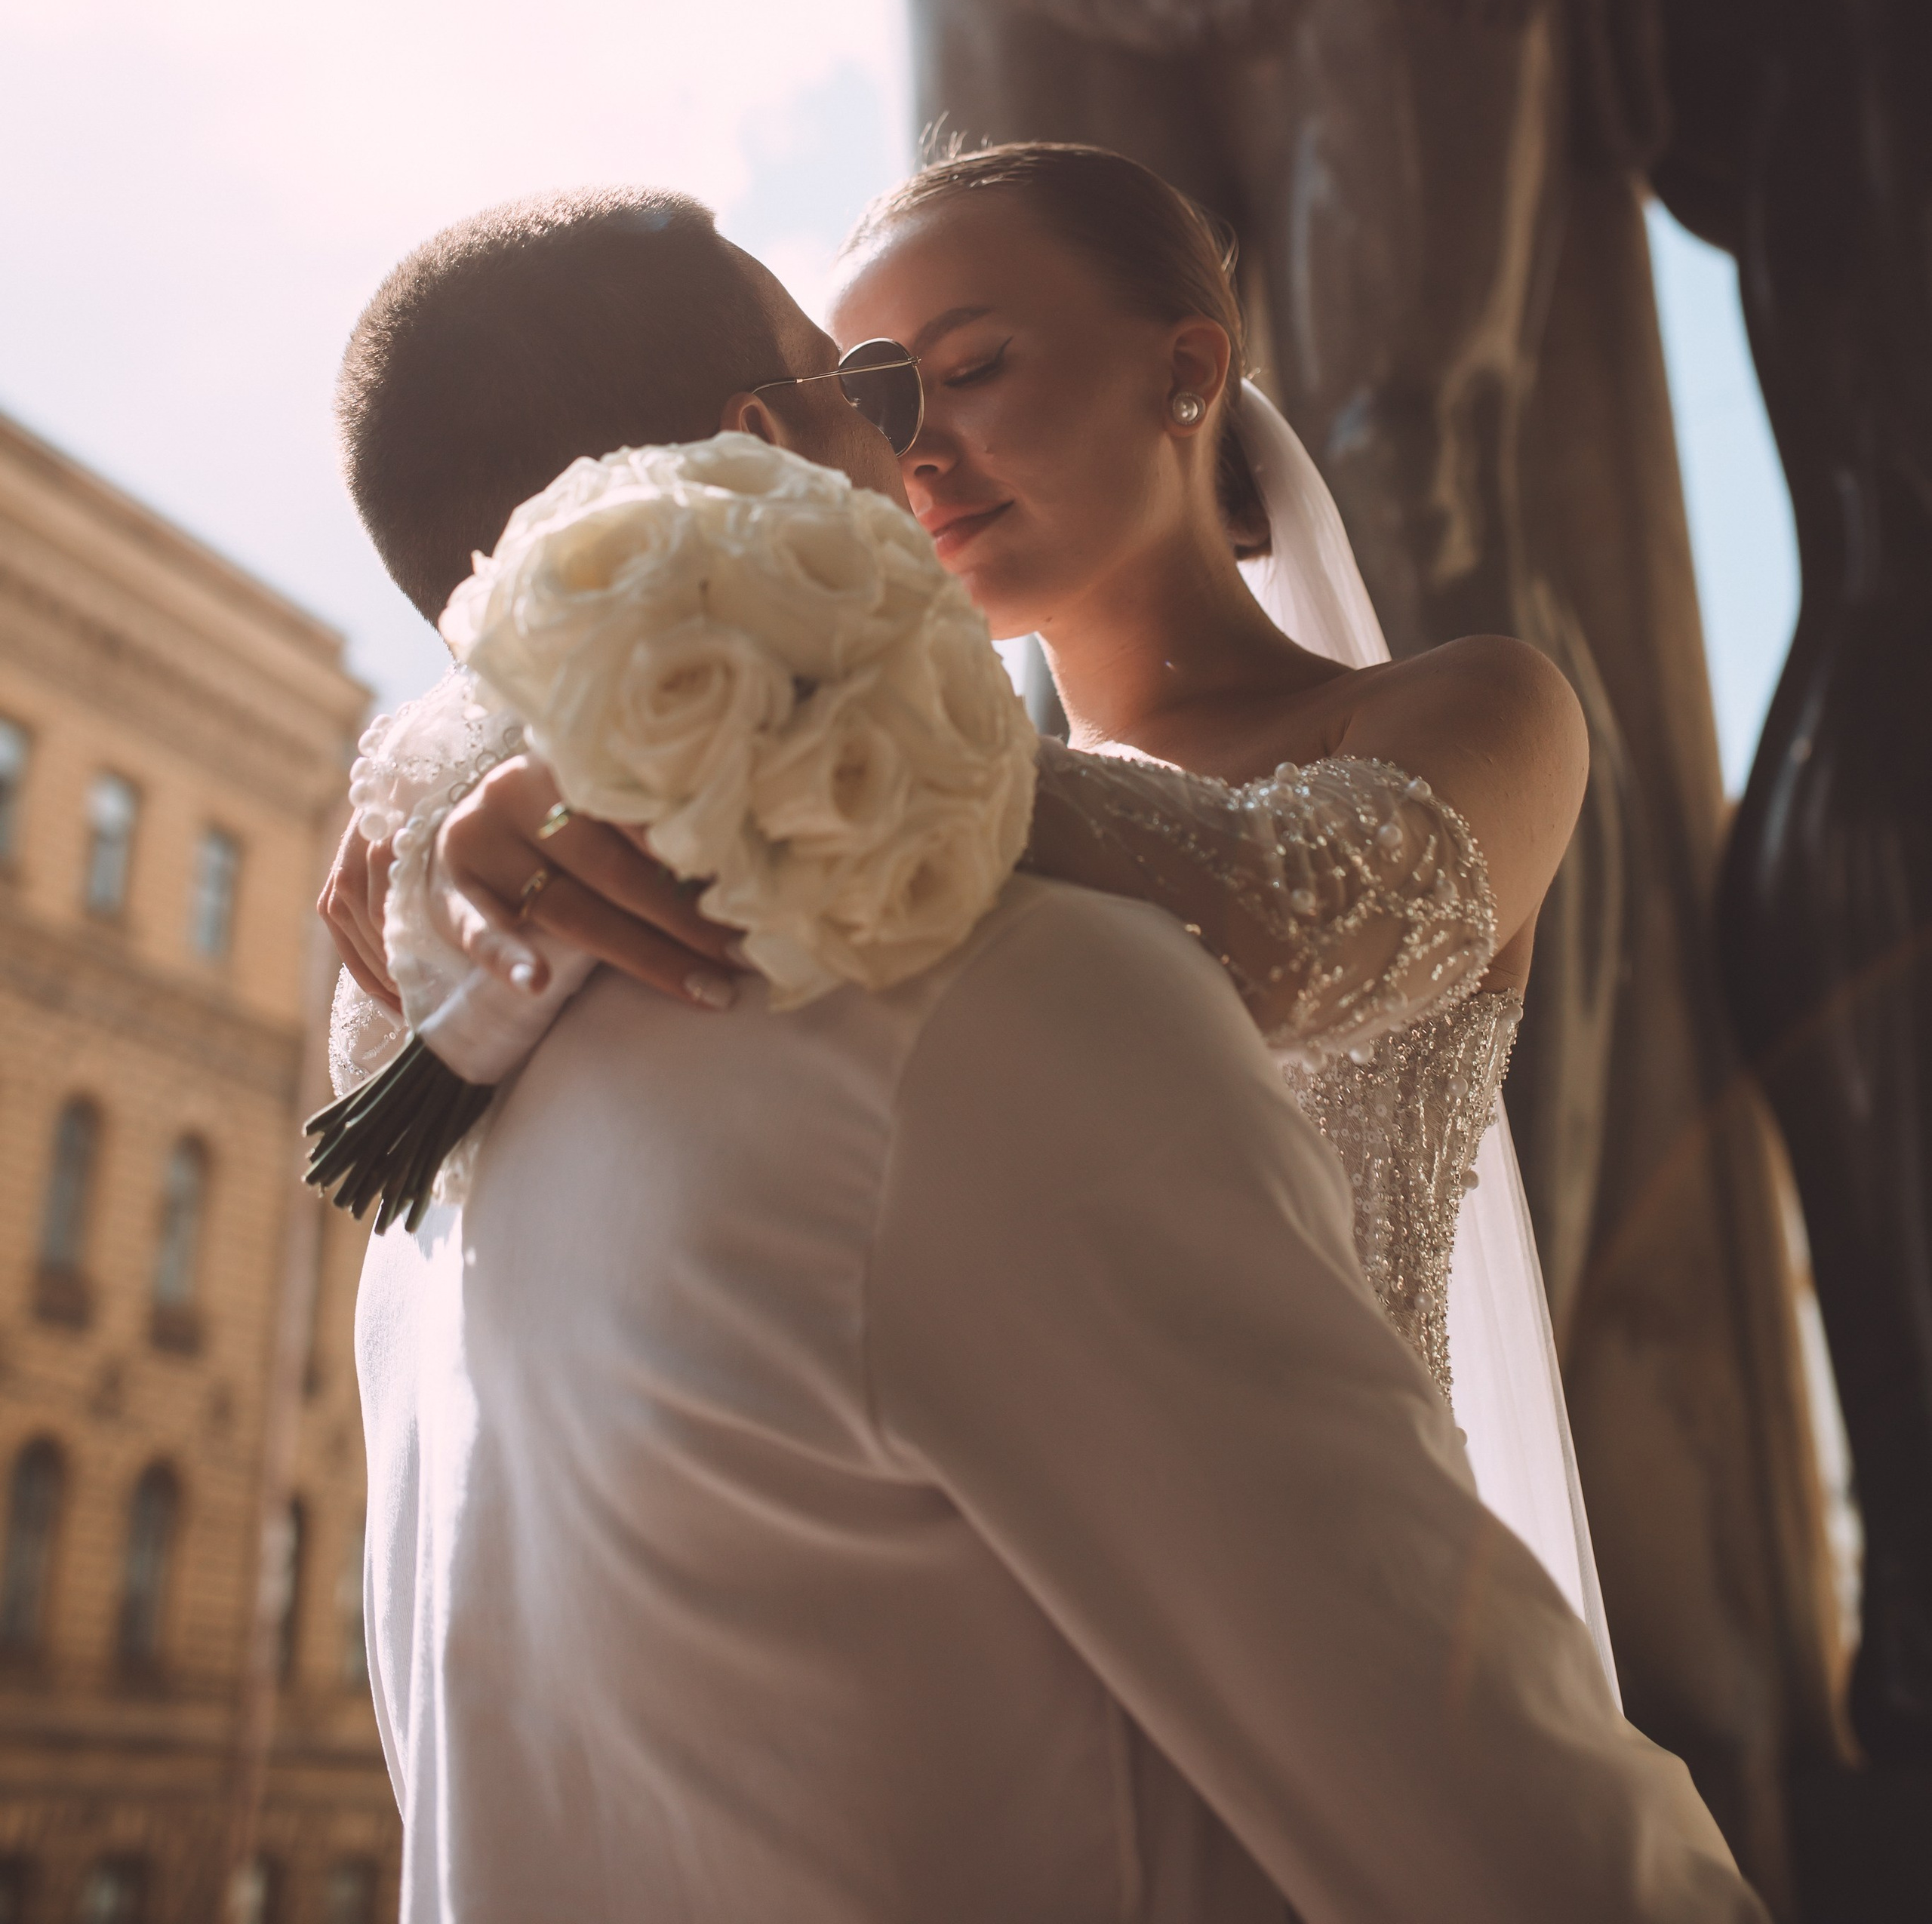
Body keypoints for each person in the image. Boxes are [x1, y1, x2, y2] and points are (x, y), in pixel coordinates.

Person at [333, 183, 1758, 1922]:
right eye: (869, 388)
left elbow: (1286, 917)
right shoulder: (791, 937)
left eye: (964, 369)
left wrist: (682, 742)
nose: (911, 445)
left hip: (1334, 1611)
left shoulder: (1443, 717)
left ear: (1184, 374)